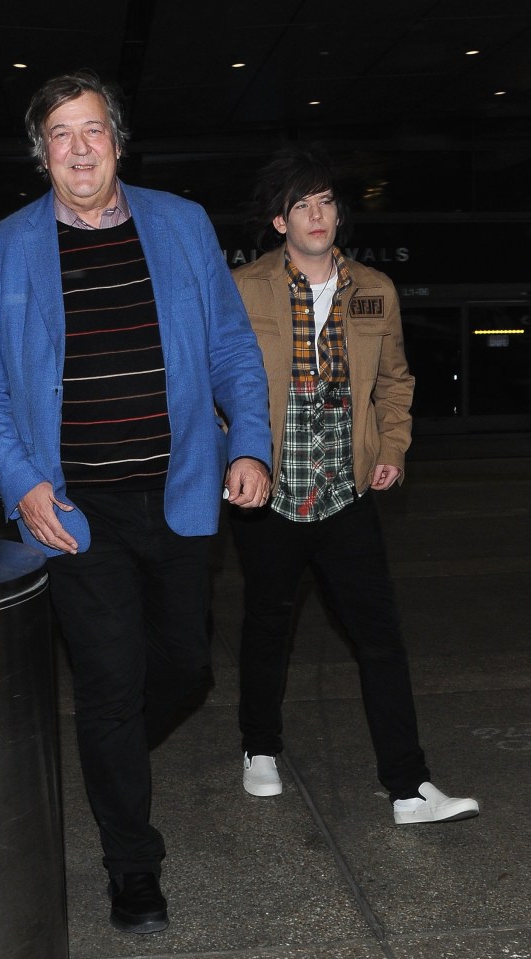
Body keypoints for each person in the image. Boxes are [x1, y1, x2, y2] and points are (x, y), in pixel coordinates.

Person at [0, 69, 272, 935]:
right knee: (107, 687)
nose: (80, 146)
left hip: (177, 497)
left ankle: (110, 759)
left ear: (118, 141)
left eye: (92, 129)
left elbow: (232, 352)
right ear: (42, 153)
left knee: (183, 668)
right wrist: (24, 486)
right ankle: (133, 865)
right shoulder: (5, 247)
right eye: (61, 133)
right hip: (73, 508)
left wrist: (247, 442)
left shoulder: (180, 223)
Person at [229, 145, 479, 825]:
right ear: (279, 221)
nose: (316, 215)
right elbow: (219, 385)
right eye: (300, 205)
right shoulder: (244, 287)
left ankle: (408, 786)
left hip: (344, 490)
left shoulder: (373, 288)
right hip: (273, 494)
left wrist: (390, 445)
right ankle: (258, 746)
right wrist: (235, 456)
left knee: (380, 638)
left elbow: (395, 380)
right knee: (267, 625)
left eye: (325, 201)